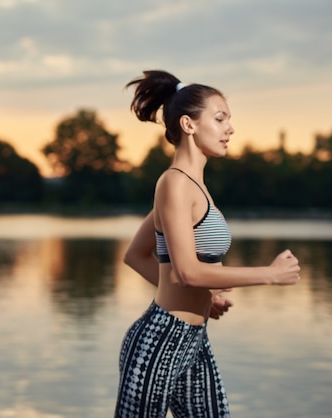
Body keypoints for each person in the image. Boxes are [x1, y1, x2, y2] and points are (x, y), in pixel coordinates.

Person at [114, 70, 301, 418]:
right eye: (219, 118)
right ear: (188, 124)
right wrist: (270, 275)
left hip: (193, 340)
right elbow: (186, 272)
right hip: (160, 340)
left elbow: (136, 255)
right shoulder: (174, 184)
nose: (230, 128)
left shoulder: (194, 187)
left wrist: (205, 296)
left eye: (229, 119)